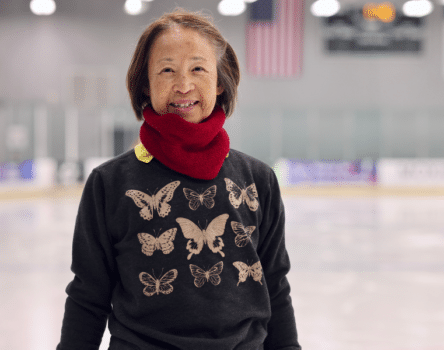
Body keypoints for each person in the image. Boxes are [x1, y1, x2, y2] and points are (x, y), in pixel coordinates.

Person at [57, 8, 300, 350]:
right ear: (145, 84)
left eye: (198, 69)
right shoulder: (109, 184)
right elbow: (88, 295)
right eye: (167, 70)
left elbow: (274, 285)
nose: (183, 85)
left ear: (219, 83)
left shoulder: (257, 180)